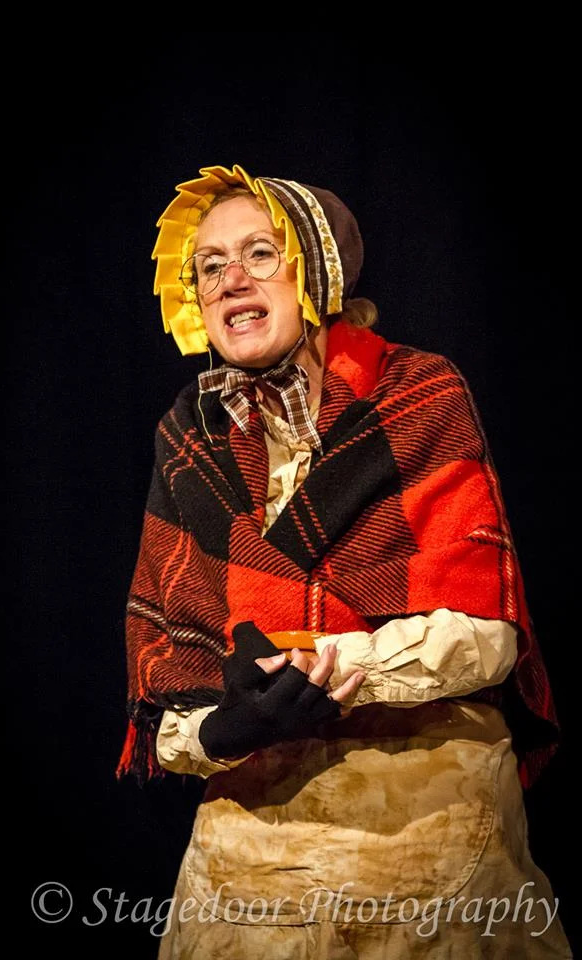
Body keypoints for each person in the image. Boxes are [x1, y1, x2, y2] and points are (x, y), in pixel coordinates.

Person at [117, 164, 572, 957]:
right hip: (249, 871)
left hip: (422, 841)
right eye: (209, 266)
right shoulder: (189, 437)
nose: (231, 281)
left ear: (316, 270)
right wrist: (228, 726)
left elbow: (489, 631)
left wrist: (322, 670)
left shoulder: (417, 394)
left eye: (260, 254)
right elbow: (166, 695)